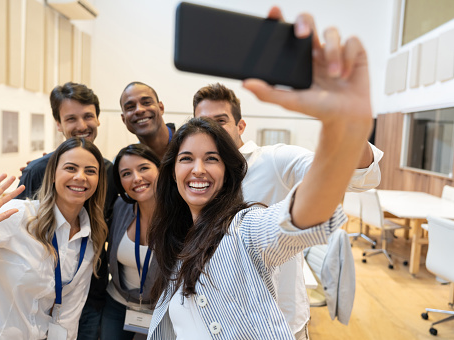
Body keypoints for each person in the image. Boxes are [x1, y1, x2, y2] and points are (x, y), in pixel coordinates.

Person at [146, 8, 374, 339]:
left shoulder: (245, 227)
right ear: (172, 171)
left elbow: (305, 213)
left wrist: (343, 126)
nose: (198, 169)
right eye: (186, 158)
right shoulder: (174, 237)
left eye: (211, 158)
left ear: (229, 171)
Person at [193, 82, 382, 338]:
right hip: (216, 320)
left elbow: (349, 174)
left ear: (240, 126)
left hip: (279, 320)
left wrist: (349, 124)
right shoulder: (193, 178)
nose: (212, 130)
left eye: (221, 120)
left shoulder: (273, 161)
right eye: (204, 122)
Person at [0, 138, 108, 340]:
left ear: (99, 180)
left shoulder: (90, 237)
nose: (80, 177)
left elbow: (69, 313)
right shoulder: (19, 216)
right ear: (53, 175)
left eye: (90, 171)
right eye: (70, 168)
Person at [16, 82, 117, 340]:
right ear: (58, 123)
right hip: (37, 298)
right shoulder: (37, 171)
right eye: (71, 118)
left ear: (98, 119)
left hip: (89, 296)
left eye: (88, 116)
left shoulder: (108, 172)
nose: (82, 125)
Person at [101, 144, 161, 339]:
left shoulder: (181, 215)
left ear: (160, 169)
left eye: (143, 168)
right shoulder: (120, 207)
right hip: (117, 302)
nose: (136, 178)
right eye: (126, 173)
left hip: (161, 309)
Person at [119, 81, 175, 159]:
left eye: (146, 102)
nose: (139, 110)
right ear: (123, 119)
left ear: (161, 108)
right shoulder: (126, 163)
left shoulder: (189, 143)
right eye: (130, 107)